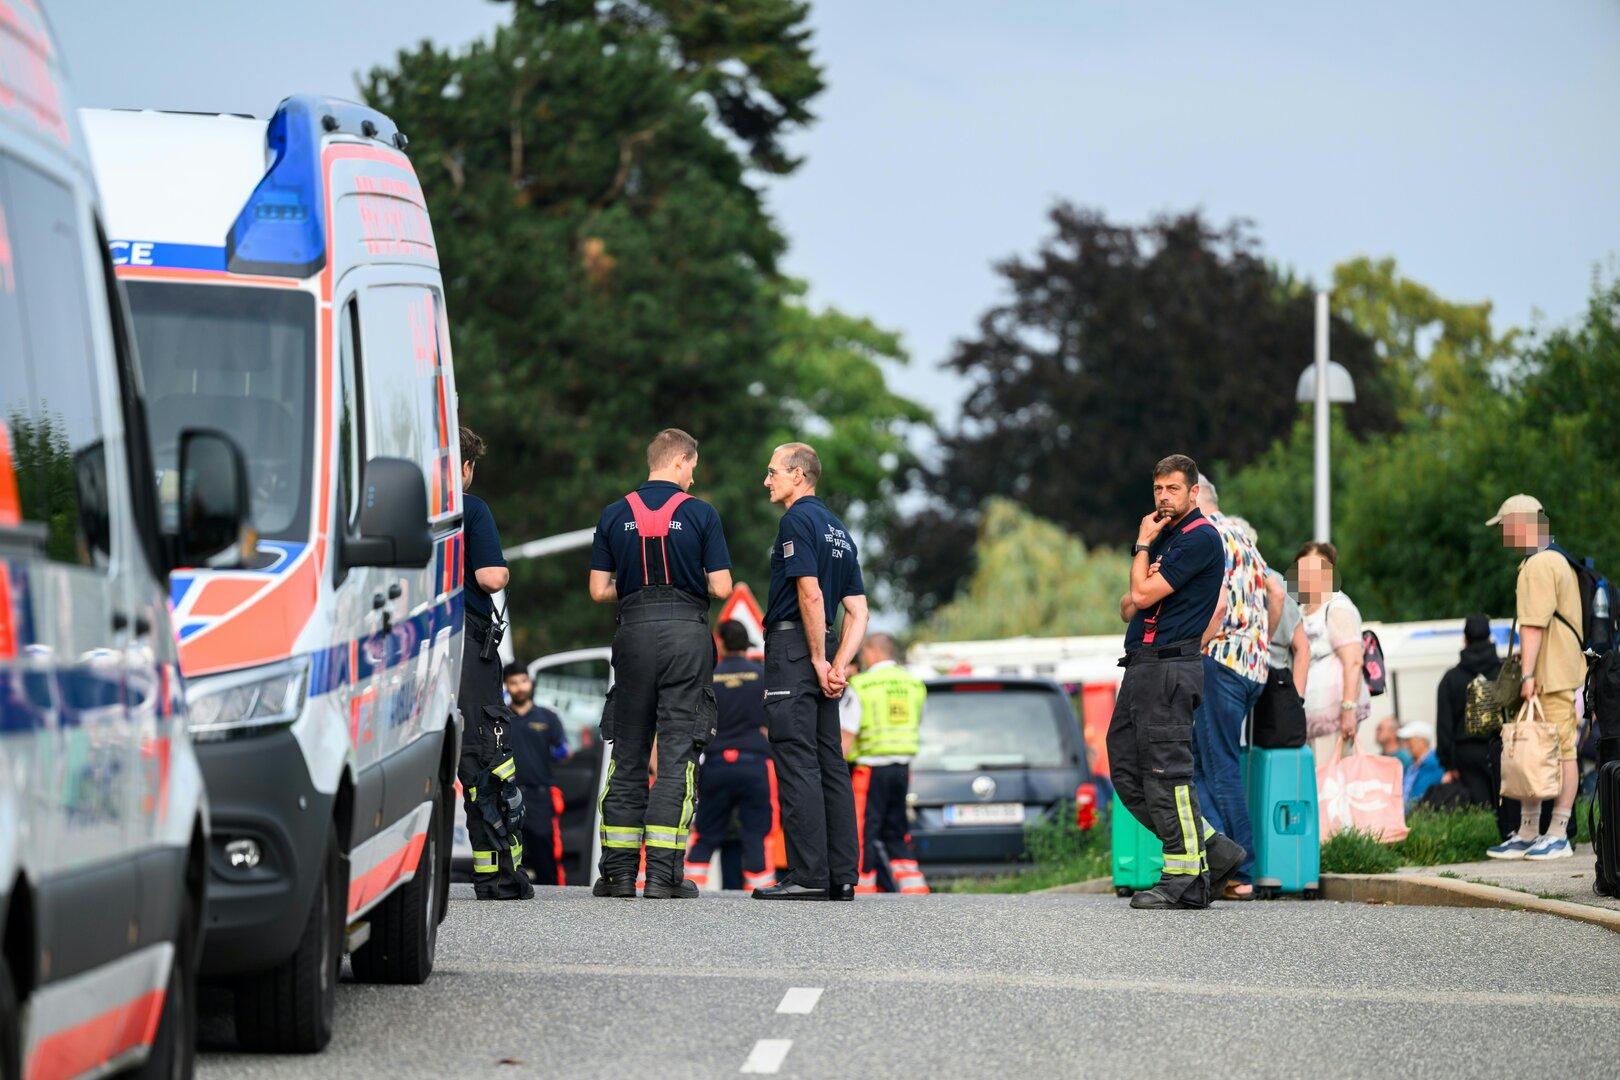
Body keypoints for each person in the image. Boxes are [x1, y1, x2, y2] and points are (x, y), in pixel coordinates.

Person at [588, 429, 733, 898]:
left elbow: (597, 590)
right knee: (675, 756)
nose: (694, 474)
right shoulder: (701, 513)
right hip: (686, 637)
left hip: (632, 635)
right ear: (680, 461)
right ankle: (665, 878)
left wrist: (634, 590)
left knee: (628, 754)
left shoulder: (614, 514)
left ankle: (618, 875)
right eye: (693, 465)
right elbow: (722, 588)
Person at [1109, 454, 1244, 910]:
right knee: (1127, 771)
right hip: (1142, 665)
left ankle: (1184, 874)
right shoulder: (1166, 539)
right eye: (1158, 490)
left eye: (1172, 489)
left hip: (1169, 668)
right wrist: (1146, 567)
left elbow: (1141, 593)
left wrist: (1141, 547)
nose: (1163, 497)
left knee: (1168, 776)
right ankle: (1213, 849)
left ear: (1193, 493)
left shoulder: (1200, 538)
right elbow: (1128, 605)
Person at [754, 442, 869, 901]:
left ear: (798, 474)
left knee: (796, 756)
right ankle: (841, 875)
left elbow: (810, 594)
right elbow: (858, 612)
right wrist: (839, 665)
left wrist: (820, 660)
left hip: (794, 647)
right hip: (823, 649)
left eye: (773, 472)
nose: (767, 481)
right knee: (830, 762)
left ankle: (807, 874)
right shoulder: (840, 530)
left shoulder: (795, 521)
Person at [457, 426, 533, 900]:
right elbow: (489, 576)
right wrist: (502, 571)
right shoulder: (470, 509)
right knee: (485, 760)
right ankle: (499, 875)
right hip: (464, 643)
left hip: (403, 642)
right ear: (465, 467)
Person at [1486, 495, 1582, 861]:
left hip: (1550, 676)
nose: (1503, 536)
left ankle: (1557, 832)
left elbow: (1533, 624)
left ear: (1520, 524)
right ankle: (1530, 830)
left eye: (1505, 528)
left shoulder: (1539, 565)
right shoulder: (1553, 559)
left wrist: (1526, 674)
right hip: (1556, 670)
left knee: (1562, 751)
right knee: (1535, 748)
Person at [1189, 475, 1270, 901]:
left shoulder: (1207, 535)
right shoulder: (1242, 534)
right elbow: (1274, 592)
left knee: (1216, 770)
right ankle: (1224, 865)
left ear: (1195, 496)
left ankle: (1240, 870)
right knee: (1209, 766)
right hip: (1253, 664)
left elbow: (1217, 604)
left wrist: (1193, 647)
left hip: (1219, 661)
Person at [684, 620, 776, 892]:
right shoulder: (761, 675)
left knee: (707, 834)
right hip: (754, 764)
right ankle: (761, 892)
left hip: (717, 764)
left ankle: (690, 885)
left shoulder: (709, 678)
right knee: (755, 835)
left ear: (720, 642)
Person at [840, 633, 929, 895]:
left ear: (871, 652)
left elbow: (847, 734)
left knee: (863, 829)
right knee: (896, 830)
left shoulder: (863, 685)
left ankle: (862, 886)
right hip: (902, 767)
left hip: (870, 769)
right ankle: (914, 887)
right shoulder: (914, 684)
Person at [1293, 541, 1368, 767]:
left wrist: (1348, 711)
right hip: (1308, 718)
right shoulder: (1301, 610)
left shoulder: (1338, 607)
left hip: (1334, 716)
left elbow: (1353, 661)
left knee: (1332, 781)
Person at [504, 663, 570, 886]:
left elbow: (564, 750)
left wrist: (560, 751)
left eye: (523, 681)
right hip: (508, 796)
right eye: (513, 683)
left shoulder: (547, 717)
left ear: (530, 683)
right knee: (509, 849)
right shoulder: (502, 719)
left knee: (545, 849)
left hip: (540, 796)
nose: (519, 687)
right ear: (507, 686)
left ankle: (552, 895)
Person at [1434, 614, 1502, 812]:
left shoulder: (1451, 679)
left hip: (1466, 753)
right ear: (1490, 638)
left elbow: (1444, 725)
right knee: (1505, 805)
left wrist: (1448, 763)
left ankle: (1481, 837)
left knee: (1478, 807)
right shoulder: (1503, 672)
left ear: (1464, 639)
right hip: (1502, 747)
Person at [1399, 722, 1443, 808]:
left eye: (1408, 740)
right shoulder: (1410, 766)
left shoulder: (1436, 764)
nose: (1405, 744)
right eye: (1404, 741)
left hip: (1420, 817)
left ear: (1422, 741)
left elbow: (1420, 795)